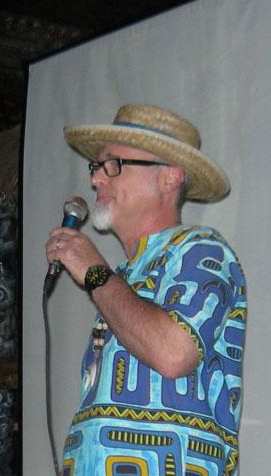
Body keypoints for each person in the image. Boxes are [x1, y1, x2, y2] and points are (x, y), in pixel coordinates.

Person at [45, 104, 247, 476]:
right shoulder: (123, 277)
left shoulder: (202, 250)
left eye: (113, 164)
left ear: (169, 177)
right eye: (96, 167)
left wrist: (95, 272)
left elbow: (174, 353)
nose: (96, 179)